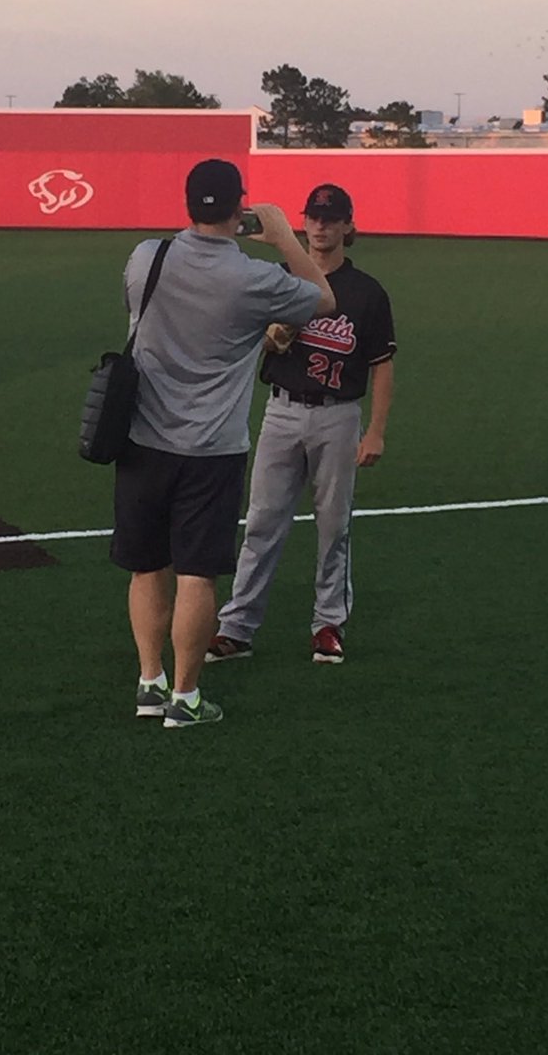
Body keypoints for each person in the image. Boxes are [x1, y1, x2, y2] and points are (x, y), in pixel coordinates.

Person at [111, 159, 336, 728]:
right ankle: (185, 698)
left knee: (146, 568)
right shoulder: (252, 279)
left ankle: (149, 682)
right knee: (197, 575)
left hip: (141, 439)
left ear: (188, 203)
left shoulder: (146, 257)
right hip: (211, 449)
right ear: (241, 206)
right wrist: (283, 237)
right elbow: (323, 299)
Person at [207, 183, 396, 666]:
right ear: (303, 221)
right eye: (314, 217)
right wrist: (268, 338)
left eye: (331, 218)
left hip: (338, 415)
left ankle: (328, 624)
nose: (321, 225)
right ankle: (236, 627)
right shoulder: (280, 278)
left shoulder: (368, 292)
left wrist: (376, 430)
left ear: (348, 226)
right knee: (262, 521)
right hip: (282, 410)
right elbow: (243, 340)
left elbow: (382, 363)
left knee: (334, 525)